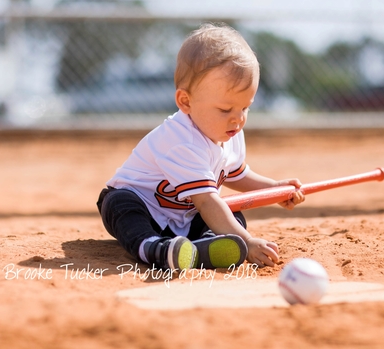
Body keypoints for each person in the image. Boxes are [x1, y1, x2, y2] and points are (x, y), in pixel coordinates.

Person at [97, 23, 305, 272]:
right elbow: (206, 202)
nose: (237, 118)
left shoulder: (229, 131)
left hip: (183, 213)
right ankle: (155, 248)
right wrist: (247, 243)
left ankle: (199, 248)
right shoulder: (181, 141)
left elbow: (236, 174)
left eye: (245, 107)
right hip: (142, 205)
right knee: (123, 207)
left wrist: (273, 188)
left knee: (232, 214)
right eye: (225, 109)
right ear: (186, 102)